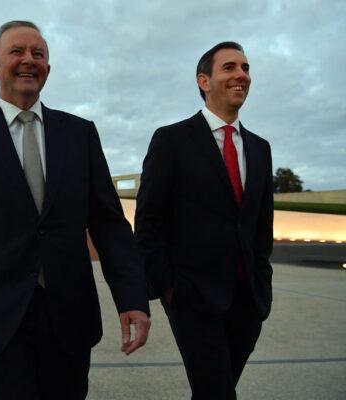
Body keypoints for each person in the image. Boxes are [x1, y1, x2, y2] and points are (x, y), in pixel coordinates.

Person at [0, 20, 151, 399]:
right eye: (17, 52)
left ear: (48, 68)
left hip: (69, 320)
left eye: (38, 54)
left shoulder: (80, 134)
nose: (29, 61)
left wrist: (132, 299)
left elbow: (109, 225)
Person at [135, 41, 273, 399]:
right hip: (192, 297)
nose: (241, 75)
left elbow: (261, 226)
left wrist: (263, 288)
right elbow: (148, 222)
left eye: (245, 67)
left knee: (216, 390)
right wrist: (167, 287)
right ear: (203, 81)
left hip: (248, 301)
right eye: (229, 67)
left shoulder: (260, 148)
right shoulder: (171, 140)